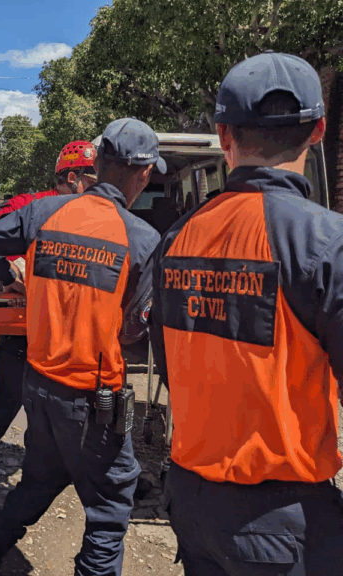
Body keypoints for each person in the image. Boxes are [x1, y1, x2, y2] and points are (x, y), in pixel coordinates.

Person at [149, 52, 343, 575]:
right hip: (285, 518)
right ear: (319, 130)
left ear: (223, 135)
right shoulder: (327, 243)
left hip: (191, 500)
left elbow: (165, 362)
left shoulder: (176, 238)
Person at [0, 119, 162, 576]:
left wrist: (13, 283)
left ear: (99, 162)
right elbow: (131, 334)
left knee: (40, 479)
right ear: (143, 174)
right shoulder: (142, 239)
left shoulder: (44, 213)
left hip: (39, 384)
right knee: (111, 504)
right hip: (94, 398)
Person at [0, 140, 98, 517]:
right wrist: (5, 275)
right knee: (9, 400)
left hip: (71, 325)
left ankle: (103, 476)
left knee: (82, 398)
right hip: (25, 324)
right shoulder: (31, 206)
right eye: (96, 179)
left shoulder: (96, 212)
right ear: (74, 178)